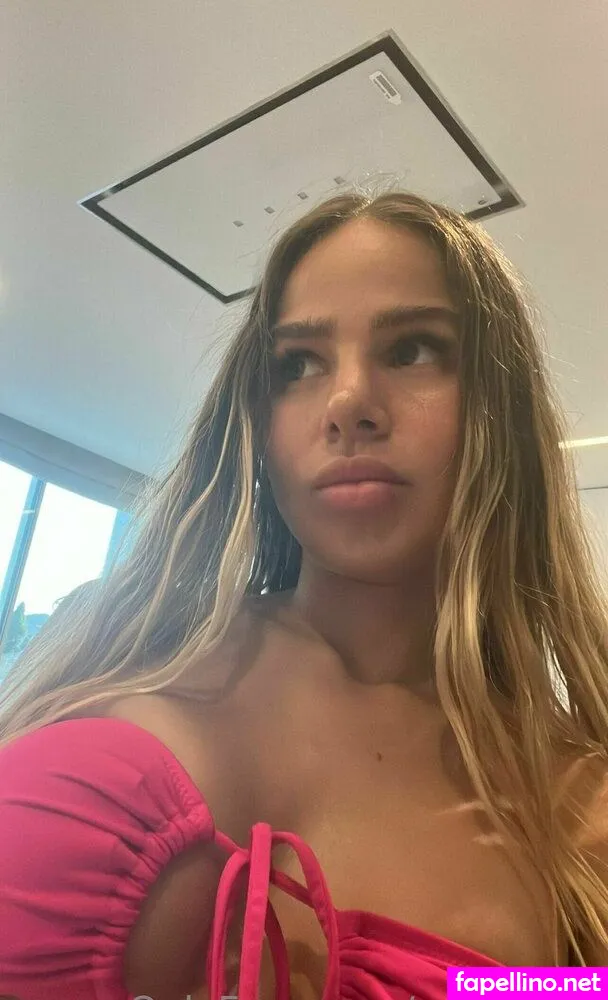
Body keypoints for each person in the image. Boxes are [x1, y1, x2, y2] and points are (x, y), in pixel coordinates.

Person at [0, 191, 606, 1000]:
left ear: (501, 410)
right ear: (258, 423)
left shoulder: (580, 807)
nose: (348, 402)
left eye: (413, 349)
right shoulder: (123, 653)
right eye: (298, 365)